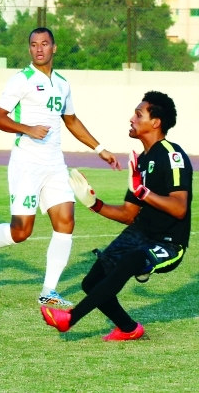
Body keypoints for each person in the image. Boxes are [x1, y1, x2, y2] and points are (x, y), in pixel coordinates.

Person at [0, 27, 121, 306]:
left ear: (54, 48)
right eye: (34, 44)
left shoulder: (62, 83)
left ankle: (49, 291)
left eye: (44, 44)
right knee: (21, 232)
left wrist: (100, 149)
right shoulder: (21, 80)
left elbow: (71, 121)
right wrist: (28, 129)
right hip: (27, 164)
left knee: (66, 222)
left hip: (55, 165)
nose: (39, 49)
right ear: (29, 49)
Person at [41, 91, 192, 340]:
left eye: (138, 114)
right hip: (140, 233)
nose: (131, 119)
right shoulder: (141, 160)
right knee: (91, 282)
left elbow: (179, 208)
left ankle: (70, 319)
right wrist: (93, 203)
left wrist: (143, 192)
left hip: (168, 243)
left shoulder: (172, 155)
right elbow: (128, 214)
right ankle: (129, 328)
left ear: (156, 122)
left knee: (130, 261)